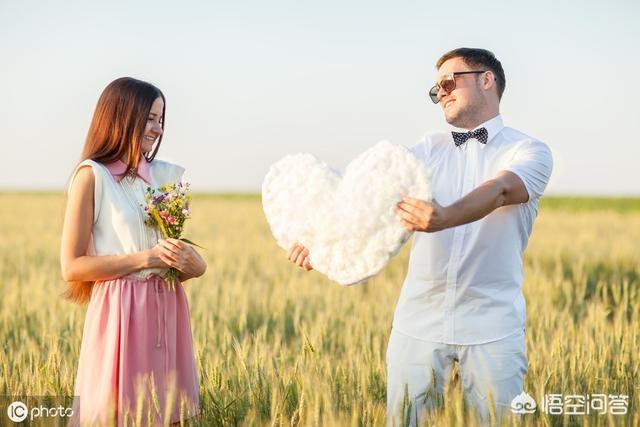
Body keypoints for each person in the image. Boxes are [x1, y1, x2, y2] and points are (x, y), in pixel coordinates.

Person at [288, 48, 553, 425]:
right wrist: (323, 242)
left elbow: (502, 190)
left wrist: (443, 217)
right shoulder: (425, 150)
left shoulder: (529, 150)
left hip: (492, 326)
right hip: (418, 324)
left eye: (449, 82)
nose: (441, 92)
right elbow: (369, 198)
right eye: (436, 89)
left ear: (487, 79)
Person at [60, 77, 207, 426]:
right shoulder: (92, 176)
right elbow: (72, 267)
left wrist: (195, 264)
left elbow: (173, 259)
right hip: (120, 311)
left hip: (167, 306)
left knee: (169, 413)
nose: (157, 129)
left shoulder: (166, 177)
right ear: (123, 115)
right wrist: (145, 259)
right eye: (149, 118)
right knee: (117, 414)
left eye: (161, 120)